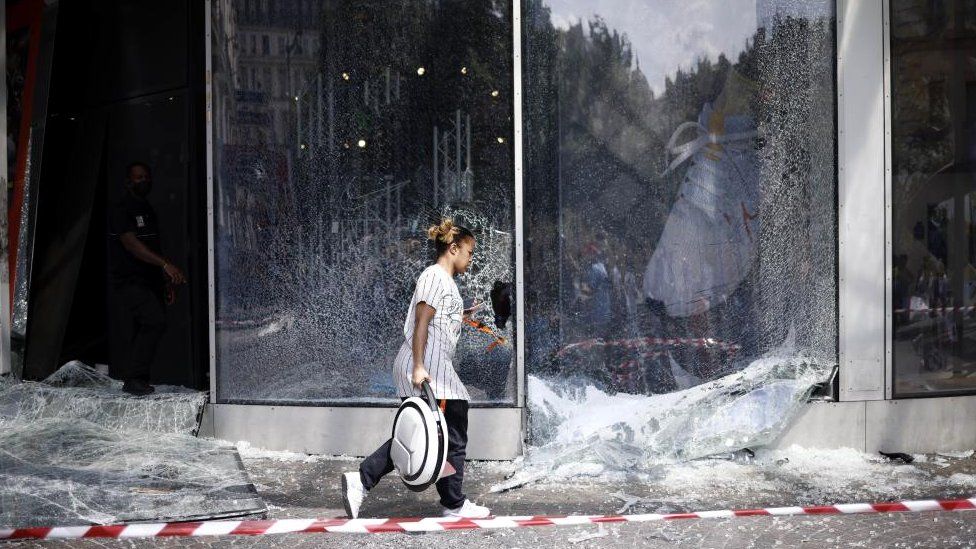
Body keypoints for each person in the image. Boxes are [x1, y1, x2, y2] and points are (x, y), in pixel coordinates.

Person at [341, 219, 491, 520]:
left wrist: (459, 315)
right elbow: (422, 321)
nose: (471, 258)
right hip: (427, 368)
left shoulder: (443, 282)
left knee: (425, 435)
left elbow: (434, 319)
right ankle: (452, 502)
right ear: (453, 248)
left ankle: (364, 480)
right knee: (443, 433)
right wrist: (420, 367)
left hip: (429, 366)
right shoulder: (435, 277)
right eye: (469, 252)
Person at [109, 162, 186, 396]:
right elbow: (132, 245)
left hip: (150, 280)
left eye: (146, 177)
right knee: (154, 320)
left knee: (147, 324)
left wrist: (164, 279)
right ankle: (133, 379)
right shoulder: (123, 209)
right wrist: (165, 265)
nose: (144, 181)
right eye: (138, 177)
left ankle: (137, 379)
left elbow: (154, 246)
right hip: (131, 279)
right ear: (129, 181)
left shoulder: (147, 208)